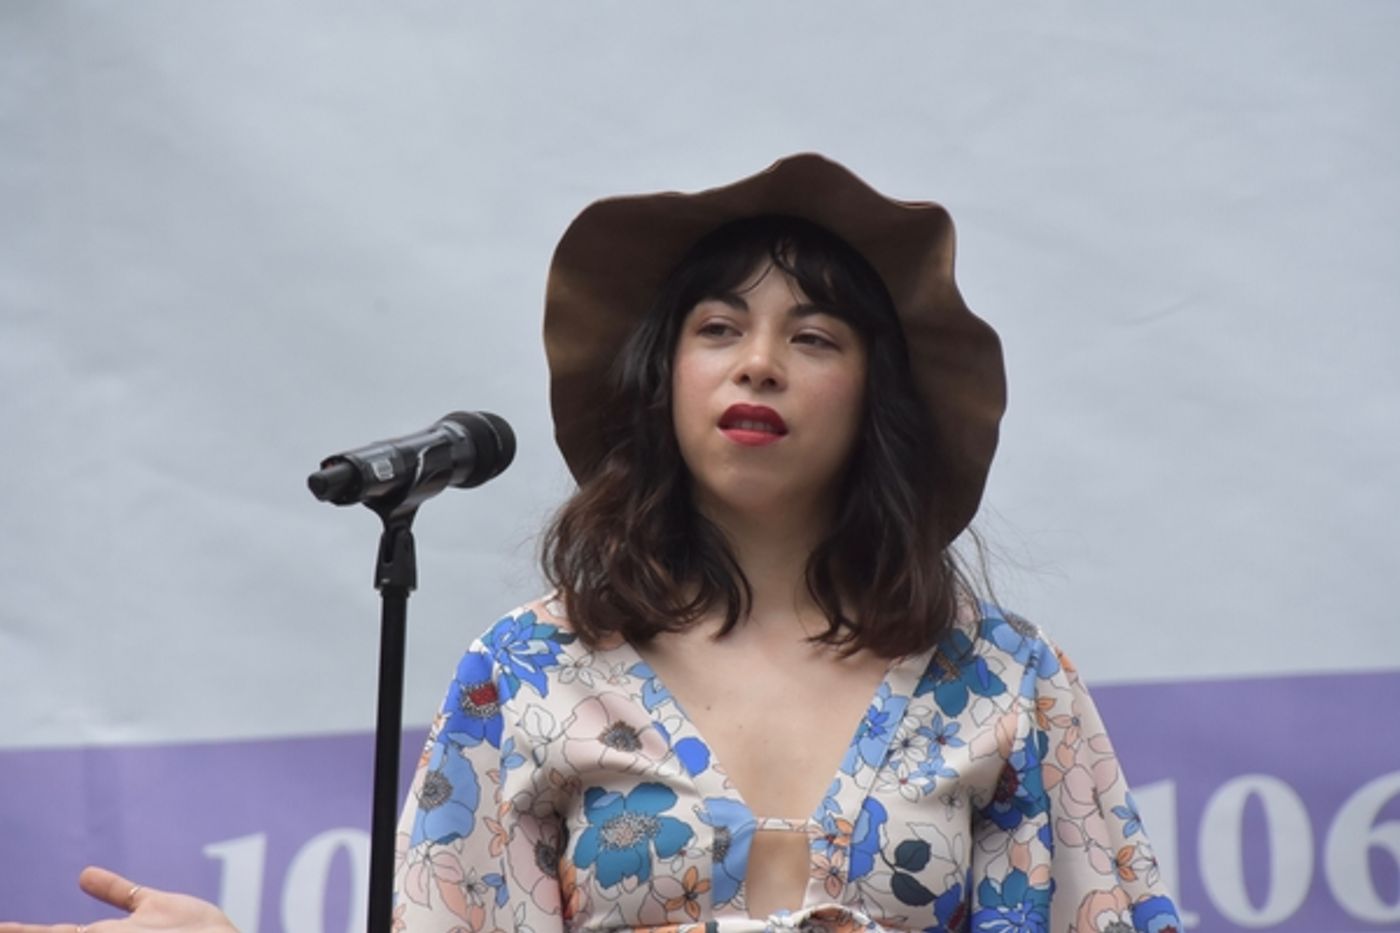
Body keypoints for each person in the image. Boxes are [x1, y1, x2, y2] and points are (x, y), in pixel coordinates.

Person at [0, 155, 1182, 933]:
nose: (757, 360)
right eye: (719, 328)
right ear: (663, 379)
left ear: (877, 397)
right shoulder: (527, 673)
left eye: (811, 336)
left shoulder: (1006, 683)